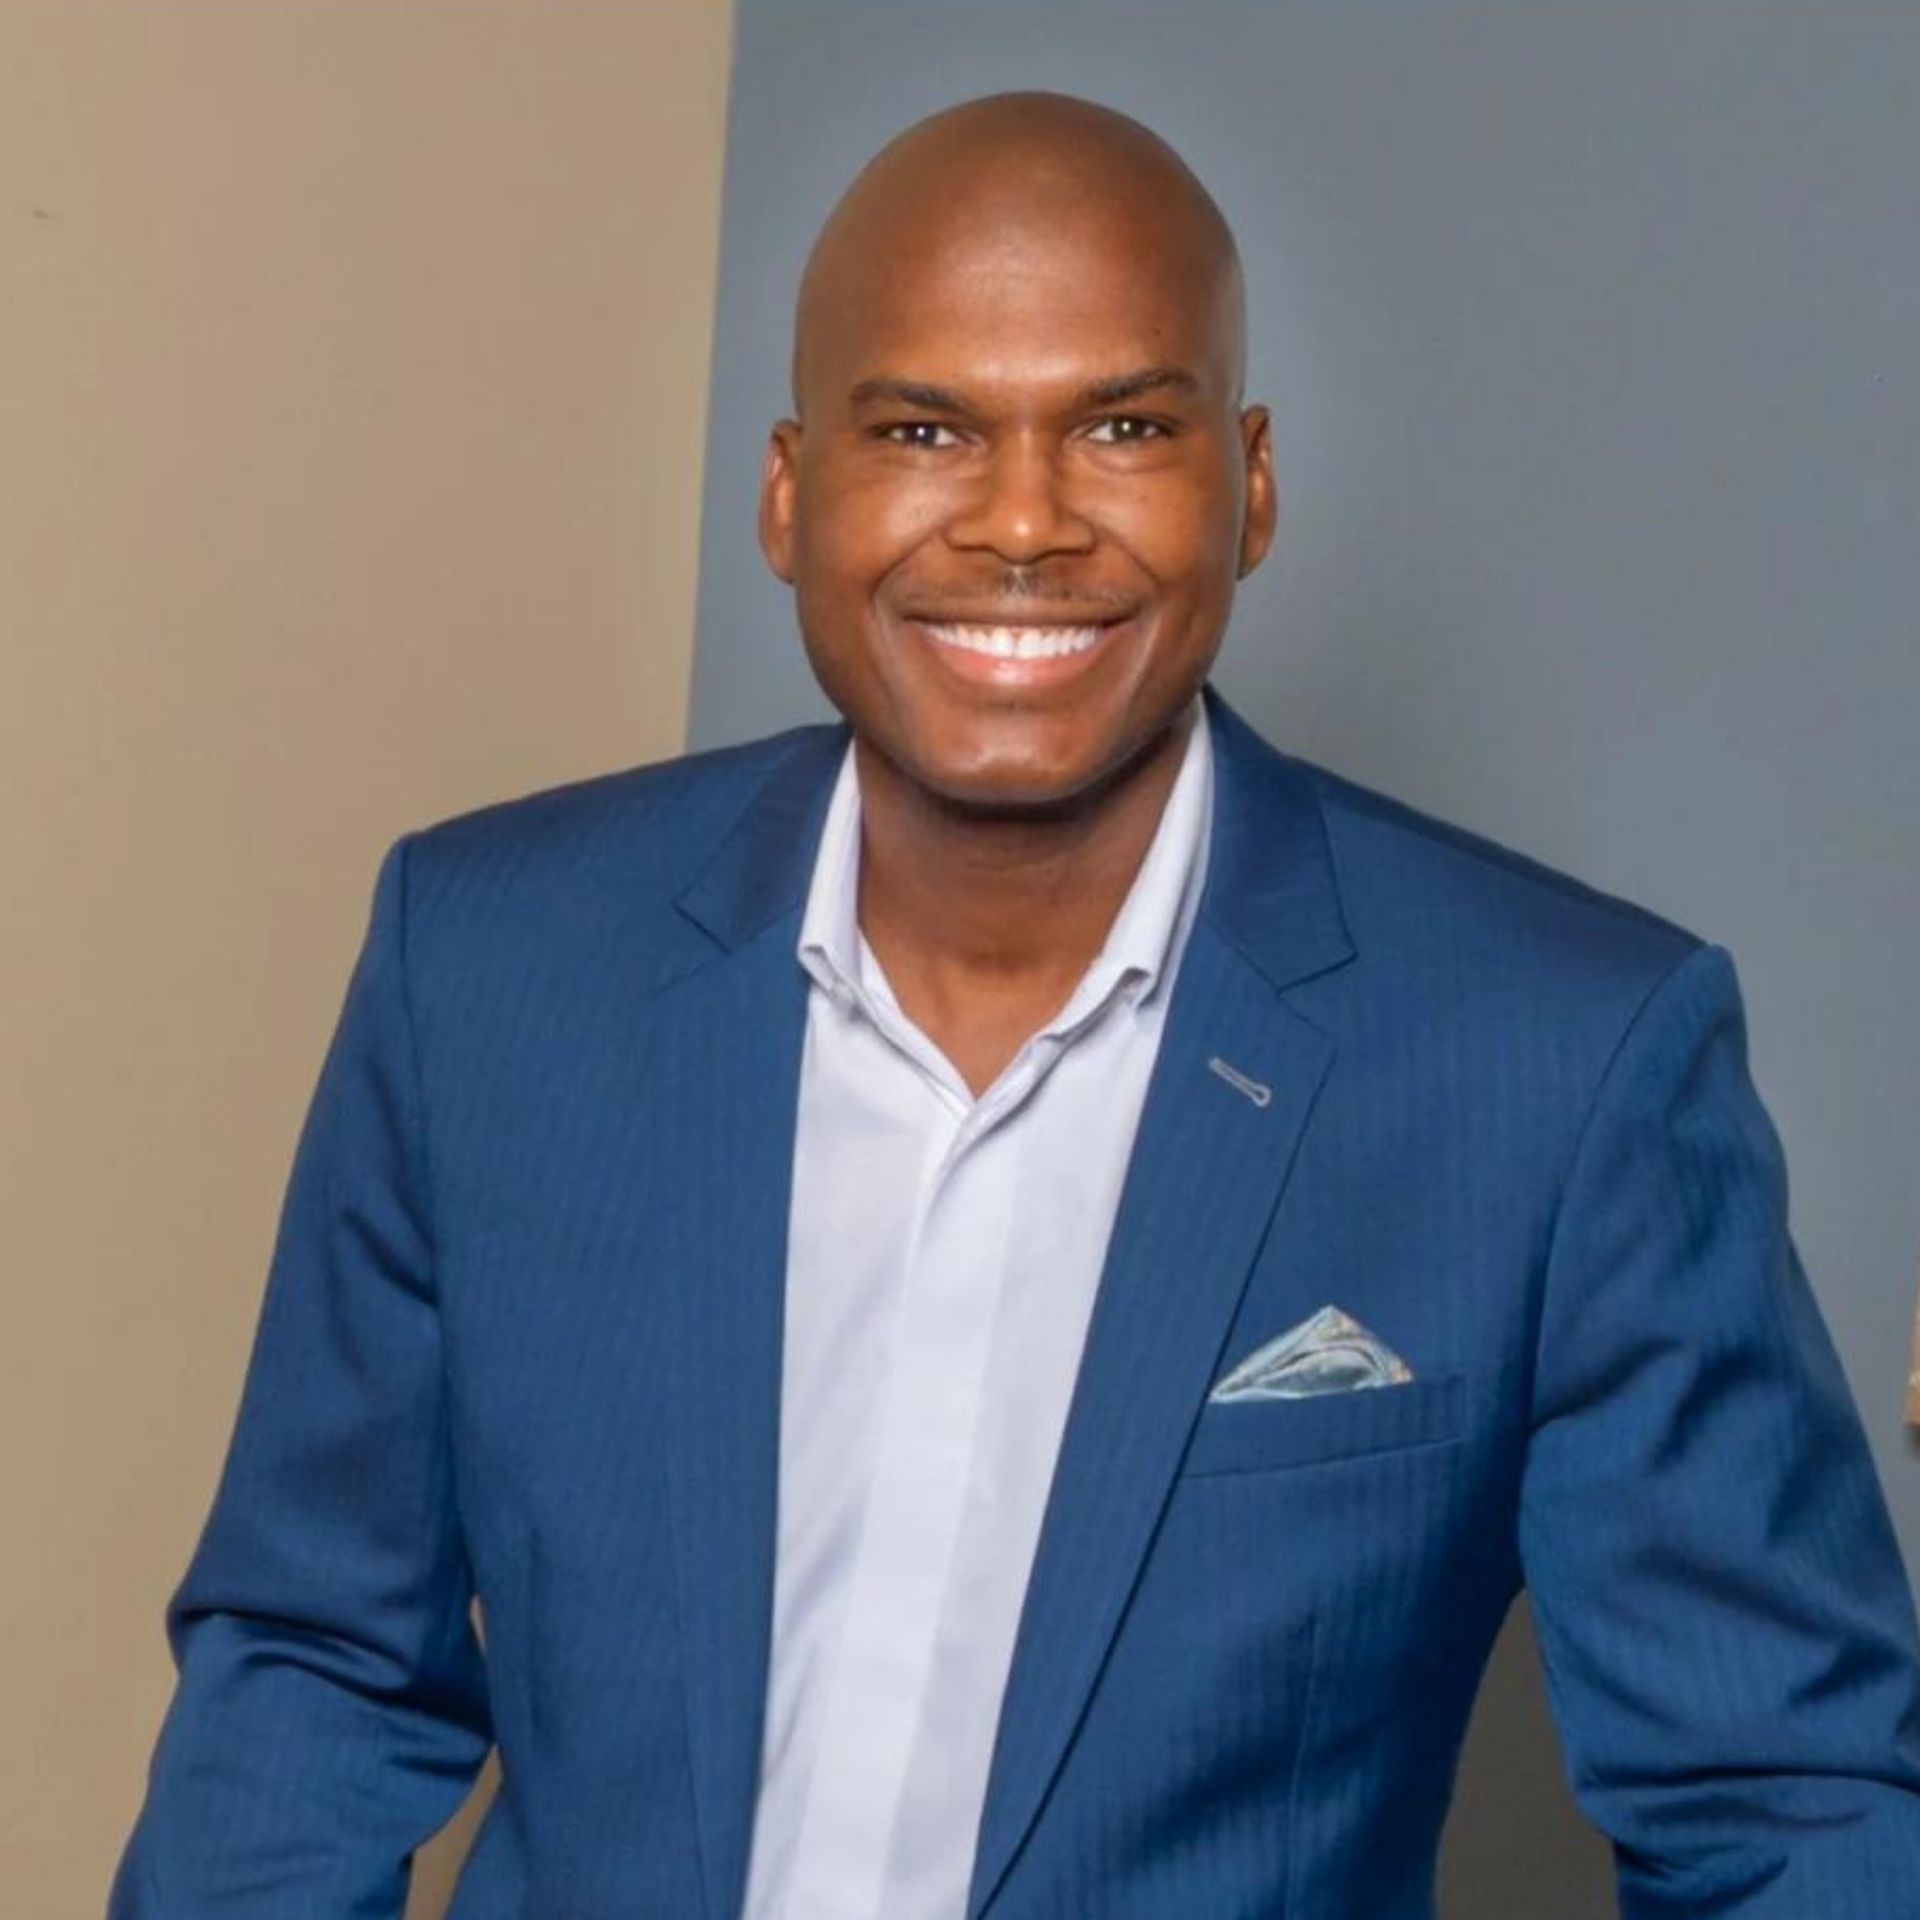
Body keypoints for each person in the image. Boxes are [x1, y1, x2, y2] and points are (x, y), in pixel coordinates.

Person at [111, 90, 1920, 1920]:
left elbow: (1787, 1813)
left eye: (1125, 426)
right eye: (924, 430)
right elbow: (313, 1679)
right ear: (789, 493)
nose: (1026, 523)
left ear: (1252, 485)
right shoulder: (489, 968)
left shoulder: (1565, 1062)